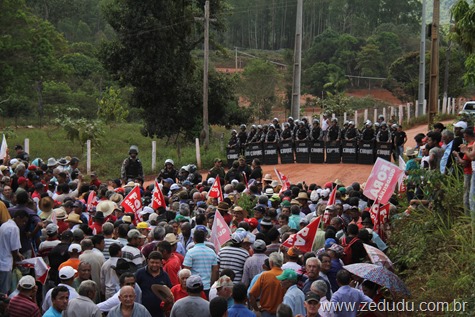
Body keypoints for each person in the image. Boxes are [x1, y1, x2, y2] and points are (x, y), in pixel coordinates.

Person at [135, 251, 172, 317]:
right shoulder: (140, 273)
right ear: (148, 261)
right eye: (152, 262)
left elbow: (169, 291)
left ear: (161, 263)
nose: (154, 265)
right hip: (143, 311)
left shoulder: (165, 275)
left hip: (160, 312)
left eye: (157, 263)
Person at [183, 228, 218, 297]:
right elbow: (215, 270)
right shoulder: (211, 252)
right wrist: (211, 284)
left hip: (193, 287)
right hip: (207, 286)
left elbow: (186, 271)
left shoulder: (190, 252)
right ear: (205, 238)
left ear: (193, 239)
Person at [249, 252, 285, 317]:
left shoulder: (265, 275)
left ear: (270, 263)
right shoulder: (286, 275)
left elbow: (251, 294)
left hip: (266, 313)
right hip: (282, 313)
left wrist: (256, 309)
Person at [0, 209, 26, 294]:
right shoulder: (14, 228)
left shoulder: (4, 225)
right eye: (23, 221)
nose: (24, 224)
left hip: (2, 260)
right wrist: (16, 260)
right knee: (4, 291)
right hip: (6, 264)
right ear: (18, 218)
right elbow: (14, 249)